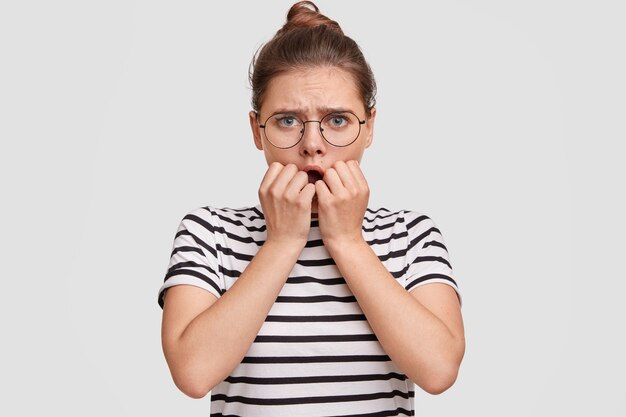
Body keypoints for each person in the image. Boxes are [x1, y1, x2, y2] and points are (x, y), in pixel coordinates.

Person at [158, 1, 465, 415]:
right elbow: (193, 374)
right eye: (287, 120)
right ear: (256, 130)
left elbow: (439, 370)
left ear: (369, 127)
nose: (313, 143)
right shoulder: (210, 232)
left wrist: (347, 240)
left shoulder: (411, 234)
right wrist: (282, 241)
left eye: (337, 120)